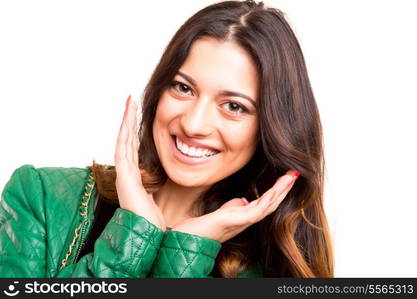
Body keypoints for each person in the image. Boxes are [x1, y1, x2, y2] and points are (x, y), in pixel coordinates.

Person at [0, 0, 333, 278]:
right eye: (183, 87)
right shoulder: (41, 196)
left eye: (234, 106)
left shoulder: (270, 271)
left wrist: (187, 250)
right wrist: (133, 235)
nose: (193, 123)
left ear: (271, 129)